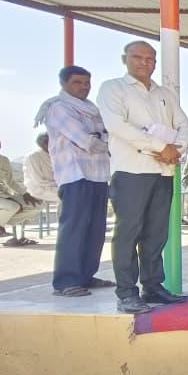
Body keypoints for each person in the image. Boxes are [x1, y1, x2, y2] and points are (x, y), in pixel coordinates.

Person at [98, 41, 188, 313]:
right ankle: (127, 292)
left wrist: (176, 149)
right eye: (137, 57)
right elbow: (117, 126)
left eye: (149, 58)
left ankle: (153, 286)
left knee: (156, 233)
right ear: (124, 59)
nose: (144, 62)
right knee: (129, 233)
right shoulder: (113, 88)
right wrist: (160, 146)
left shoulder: (164, 94)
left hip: (163, 171)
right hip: (132, 171)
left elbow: (185, 126)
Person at [39, 65, 113, 296]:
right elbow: (87, 141)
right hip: (74, 175)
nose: (83, 87)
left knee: (95, 228)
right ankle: (66, 281)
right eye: (77, 83)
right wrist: (102, 138)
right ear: (64, 84)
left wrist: (101, 137)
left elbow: (107, 134)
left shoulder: (92, 109)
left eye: (86, 83)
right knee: (74, 228)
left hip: (99, 174)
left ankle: (85, 275)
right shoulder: (59, 108)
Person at [23, 133, 60, 202]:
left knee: (74, 191)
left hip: (54, 187)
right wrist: (60, 186)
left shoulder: (55, 156)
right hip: (39, 189)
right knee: (70, 193)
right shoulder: (32, 157)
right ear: (42, 145)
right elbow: (38, 181)